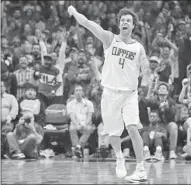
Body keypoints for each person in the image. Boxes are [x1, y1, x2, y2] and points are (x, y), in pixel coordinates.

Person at [68, 6, 149, 183]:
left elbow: (146, 68)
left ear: (133, 25)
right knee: (113, 134)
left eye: (128, 20)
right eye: (122, 20)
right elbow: (88, 24)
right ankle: (119, 158)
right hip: (110, 94)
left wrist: (147, 78)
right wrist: (74, 13)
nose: (125, 22)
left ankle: (141, 169)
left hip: (130, 94)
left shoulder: (138, 47)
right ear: (119, 24)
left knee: (133, 128)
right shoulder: (109, 38)